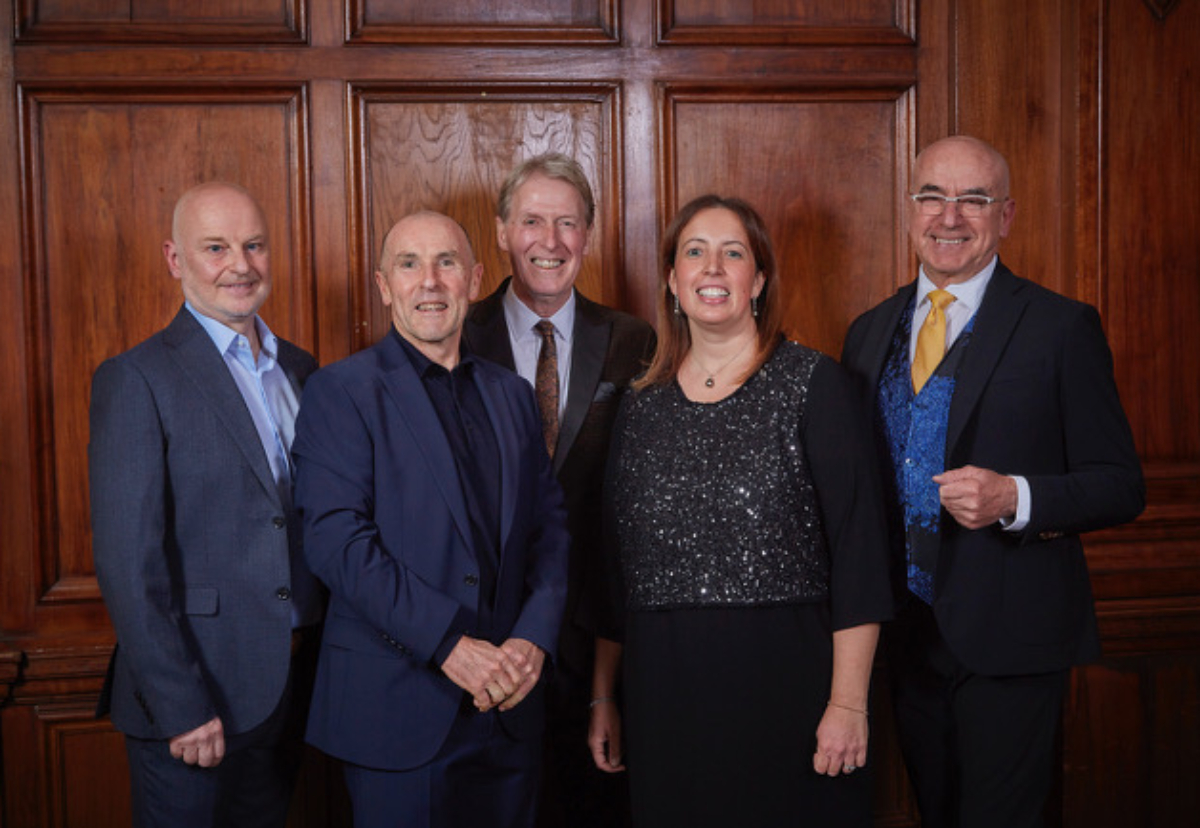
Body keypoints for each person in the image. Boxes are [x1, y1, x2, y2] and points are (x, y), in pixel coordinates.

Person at [840, 135, 1145, 828]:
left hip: (1014, 640)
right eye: (933, 197)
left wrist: (1017, 498)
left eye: (973, 198)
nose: (950, 216)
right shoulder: (866, 333)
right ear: (910, 209)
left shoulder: (1061, 328)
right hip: (905, 638)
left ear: (1004, 215)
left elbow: (1121, 484)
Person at [587, 195, 894, 828]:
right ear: (673, 280)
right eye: (694, 253)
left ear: (758, 280)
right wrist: (601, 697)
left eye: (734, 254)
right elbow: (611, 573)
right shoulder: (640, 408)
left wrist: (849, 704)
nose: (713, 269)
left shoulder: (816, 386)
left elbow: (861, 555)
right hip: (665, 698)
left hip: (791, 692)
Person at [292, 210, 570, 828]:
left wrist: (533, 639)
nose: (430, 282)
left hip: (511, 706)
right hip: (400, 712)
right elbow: (337, 543)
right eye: (409, 265)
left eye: (445, 263)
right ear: (384, 285)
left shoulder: (512, 395)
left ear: (473, 279)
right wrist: (447, 644)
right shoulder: (341, 392)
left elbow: (549, 531)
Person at [89, 181, 322, 827]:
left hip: (288, 691)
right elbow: (127, 565)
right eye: (215, 247)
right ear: (174, 259)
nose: (240, 265)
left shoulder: (302, 371)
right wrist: (181, 705)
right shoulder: (137, 379)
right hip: (194, 703)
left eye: (253, 245)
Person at [463, 152, 655, 828]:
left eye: (567, 223)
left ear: (587, 235)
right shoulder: (456, 336)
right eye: (533, 221)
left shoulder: (634, 341)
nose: (550, 241)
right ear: (502, 232)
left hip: (596, 637)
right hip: (482, 642)